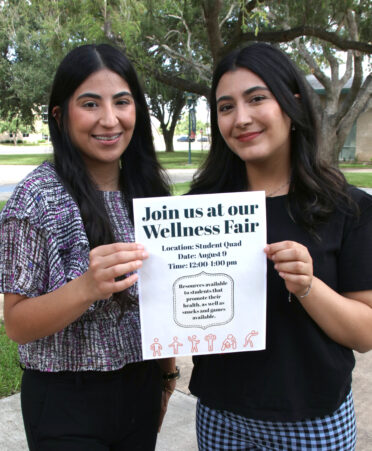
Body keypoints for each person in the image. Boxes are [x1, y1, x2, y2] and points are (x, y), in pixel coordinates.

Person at [188, 42, 372, 450]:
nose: (241, 118)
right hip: (221, 415)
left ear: (292, 105)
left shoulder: (349, 209)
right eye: (225, 107)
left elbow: (365, 333)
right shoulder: (198, 213)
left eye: (257, 99)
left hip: (312, 420)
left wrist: (308, 285)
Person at [0, 43, 179, 451]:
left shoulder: (150, 194)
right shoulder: (35, 198)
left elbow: (162, 302)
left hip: (140, 388)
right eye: (90, 104)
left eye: (121, 102)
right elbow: (16, 324)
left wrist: (166, 376)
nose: (109, 119)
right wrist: (87, 287)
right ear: (60, 115)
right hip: (66, 400)